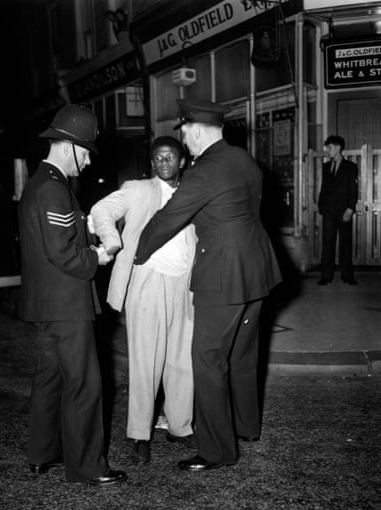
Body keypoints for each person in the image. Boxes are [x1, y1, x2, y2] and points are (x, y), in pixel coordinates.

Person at [135, 99, 282, 471]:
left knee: (207, 359)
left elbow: (169, 218)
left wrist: (138, 252)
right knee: (244, 356)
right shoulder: (246, 161)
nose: (183, 139)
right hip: (258, 271)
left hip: (222, 276)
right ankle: (247, 427)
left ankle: (217, 450)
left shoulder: (204, 171)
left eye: (184, 132)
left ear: (197, 130)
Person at [18, 104, 126, 486]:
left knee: (51, 377)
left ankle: (43, 453)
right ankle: (87, 467)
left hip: (49, 302)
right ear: (68, 146)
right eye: (86, 152)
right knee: (84, 382)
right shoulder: (53, 188)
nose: (87, 161)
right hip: (66, 303)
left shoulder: (40, 183)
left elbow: (54, 242)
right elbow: (62, 252)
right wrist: (98, 255)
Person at [90, 136, 197, 463]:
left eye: (170, 157)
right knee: (145, 362)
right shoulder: (138, 190)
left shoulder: (193, 191)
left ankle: (181, 426)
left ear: (181, 162)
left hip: (185, 283)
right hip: (147, 281)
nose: (164, 162)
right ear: (152, 163)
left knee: (182, 360)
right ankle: (139, 434)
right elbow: (101, 209)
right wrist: (112, 241)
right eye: (158, 158)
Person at [317, 135, 358, 285]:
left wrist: (350, 209)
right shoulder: (326, 166)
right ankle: (326, 276)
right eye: (327, 147)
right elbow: (324, 188)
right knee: (327, 243)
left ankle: (347, 276)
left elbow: (353, 190)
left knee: (345, 243)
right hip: (328, 211)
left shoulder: (351, 167)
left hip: (344, 211)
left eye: (330, 147)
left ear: (339, 147)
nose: (328, 150)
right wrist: (321, 205)